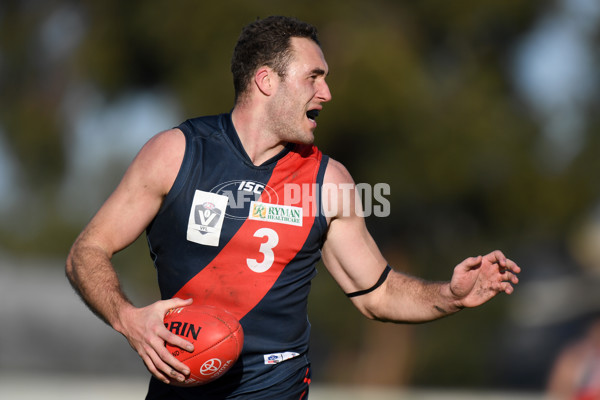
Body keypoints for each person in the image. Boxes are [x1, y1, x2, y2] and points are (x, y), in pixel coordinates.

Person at [65, 15, 521, 400]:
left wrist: (451, 295)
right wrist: (129, 320)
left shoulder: (330, 181)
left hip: (276, 385)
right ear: (266, 80)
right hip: (180, 381)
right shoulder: (176, 154)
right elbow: (86, 252)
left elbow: (378, 294)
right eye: (313, 77)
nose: (326, 94)